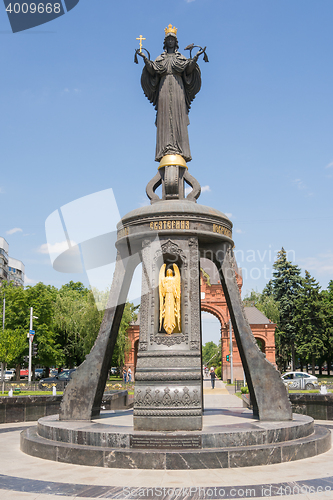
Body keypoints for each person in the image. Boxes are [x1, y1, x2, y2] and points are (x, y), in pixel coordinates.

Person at [138, 25, 205, 163]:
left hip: (178, 89)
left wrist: (196, 58)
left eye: (172, 39)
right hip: (163, 90)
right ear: (165, 42)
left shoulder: (181, 57)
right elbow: (152, 70)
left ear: (176, 42)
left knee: (178, 117)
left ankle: (180, 149)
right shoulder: (160, 58)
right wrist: (145, 58)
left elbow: (188, 70)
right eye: (168, 39)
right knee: (164, 117)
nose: (170, 42)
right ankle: (165, 148)